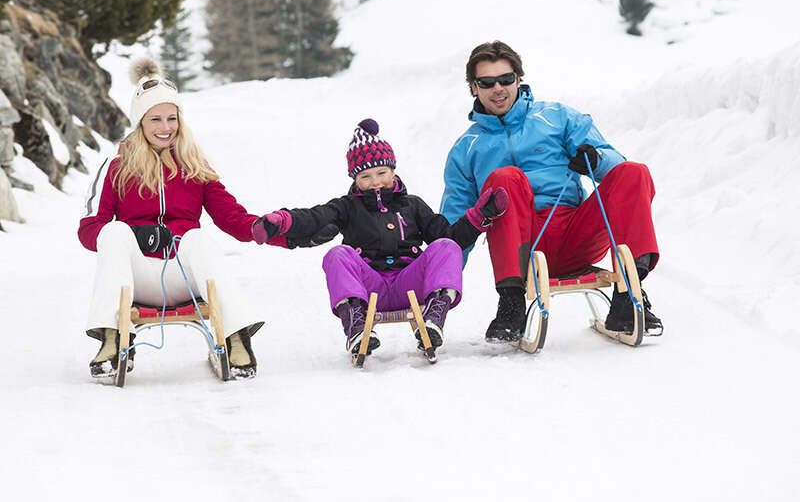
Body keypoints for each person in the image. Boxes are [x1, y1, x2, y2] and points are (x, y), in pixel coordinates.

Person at [440, 41, 662, 342]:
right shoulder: (466, 149)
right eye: (487, 82)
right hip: (520, 246)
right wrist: (439, 284)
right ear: (473, 87)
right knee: (505, 178)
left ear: (519, 78)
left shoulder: (557, 117)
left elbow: (614, 165)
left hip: (574, 232)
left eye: (506, 79)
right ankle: (511, 305)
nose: (498, 89)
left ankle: (629, 294)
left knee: (634, 172)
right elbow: (456, 221)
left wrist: (594, 158)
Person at [79, 57, 268, 380]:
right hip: (137, 279)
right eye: (155, 119)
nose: (165, 128)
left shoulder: (194, 163)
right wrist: (137, 236)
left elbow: (230, 216)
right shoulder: (117, 165)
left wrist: (262, 227)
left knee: (197, 237)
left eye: (171, 118)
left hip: (184, 276)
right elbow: (89, 229)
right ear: (140, 122)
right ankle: (112, 335)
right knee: (113, 233)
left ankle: (237, 334)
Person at [253, 118, 508, 355]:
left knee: (446, 246)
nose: (375, 182)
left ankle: (433, 316)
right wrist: (284, 221)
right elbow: (316, 217)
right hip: (368, 287)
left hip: (409, 284)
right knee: (337, 255)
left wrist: (477, 217)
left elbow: (450, 236)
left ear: (393, 171)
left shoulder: (413, 205)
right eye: (365, 176)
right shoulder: (347, 206)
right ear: (355, 179)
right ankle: (356, 323)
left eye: (381, 173)